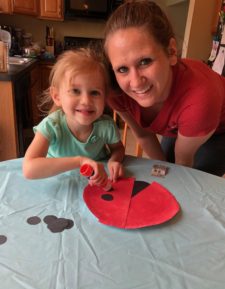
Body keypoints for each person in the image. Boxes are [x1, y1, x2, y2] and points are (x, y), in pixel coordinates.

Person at [103, 0, 225, 177]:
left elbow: (183, 163)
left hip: (219, 128)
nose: (136, 82)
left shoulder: (200, 98)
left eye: (145, 61)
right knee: (164, 166)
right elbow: (144, 136)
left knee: (196, 182)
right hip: (182, 120)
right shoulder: (116, 91)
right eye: (122, 69)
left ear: (171, 52)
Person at [23, 48, 125, 186]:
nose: (86, 101)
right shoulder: (51, 126)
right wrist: (79, 161)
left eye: (95, 93)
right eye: (75, 91)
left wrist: (114, 160)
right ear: (57, 96)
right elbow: (29, 169)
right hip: (58, 185)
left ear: (105, 98)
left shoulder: (106, 126)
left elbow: (118, 149)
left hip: (96, 186)